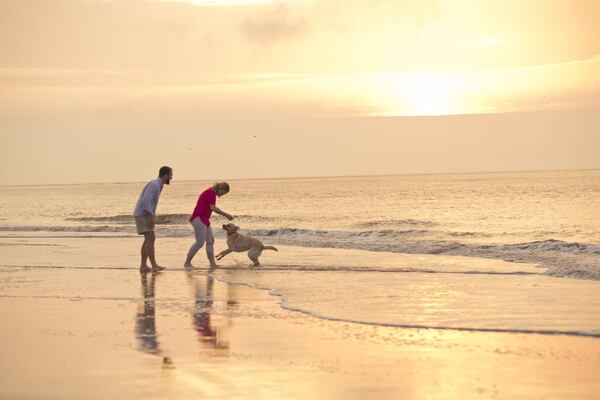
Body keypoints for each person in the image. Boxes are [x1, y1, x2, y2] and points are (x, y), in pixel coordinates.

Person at [184, 182, 234, 268]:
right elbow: (213, 208)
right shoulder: (210, 193)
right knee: (200, 243)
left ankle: (212, 264)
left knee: (210, 241)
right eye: (223, 192)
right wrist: (226, 215)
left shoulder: (212, 193)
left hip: (204, 219)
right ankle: (187, 263)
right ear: (221, 188)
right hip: (198, 218)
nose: (222, 195)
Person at [133, 166, 173, 272]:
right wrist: (150, 215)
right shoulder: (155, 185)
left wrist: (152, 215)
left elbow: (149, 202)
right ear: (165, 175)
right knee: (151, 238)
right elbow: (146, 201)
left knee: (148, 239)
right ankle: (154, 265)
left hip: (144, 213)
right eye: (170, 175)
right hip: (143, 214)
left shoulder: (158, 185)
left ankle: (143, 266)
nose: (172, 177)